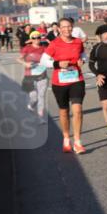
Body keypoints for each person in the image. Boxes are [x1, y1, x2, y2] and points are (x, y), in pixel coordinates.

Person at [44, 17, 87, 153]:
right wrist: (57, 64)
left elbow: (83, 55)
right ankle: (66, 138)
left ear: (72, 27)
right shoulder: (54, 43)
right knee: (64, 112)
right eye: (63, 27)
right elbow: (43, 60)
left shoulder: (78, 42)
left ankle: (78, 142)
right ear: (59, 28)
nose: (66, 29)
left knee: (77, 110)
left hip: (76, 80)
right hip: (60, 83)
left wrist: (82, 61)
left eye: (69, 26)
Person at [19, 31, 49, 119]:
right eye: (34, 38)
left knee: (41, 96)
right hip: (30, 76)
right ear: (31, 39)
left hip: (42, 75)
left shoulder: (44, 48)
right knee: (34, 98)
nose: (36, 39)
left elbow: (50, 58)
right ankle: (31, 105)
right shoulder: (27, 48)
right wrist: (25, 63)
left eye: (38, 37)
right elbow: (19, 59)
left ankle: (41, 117)